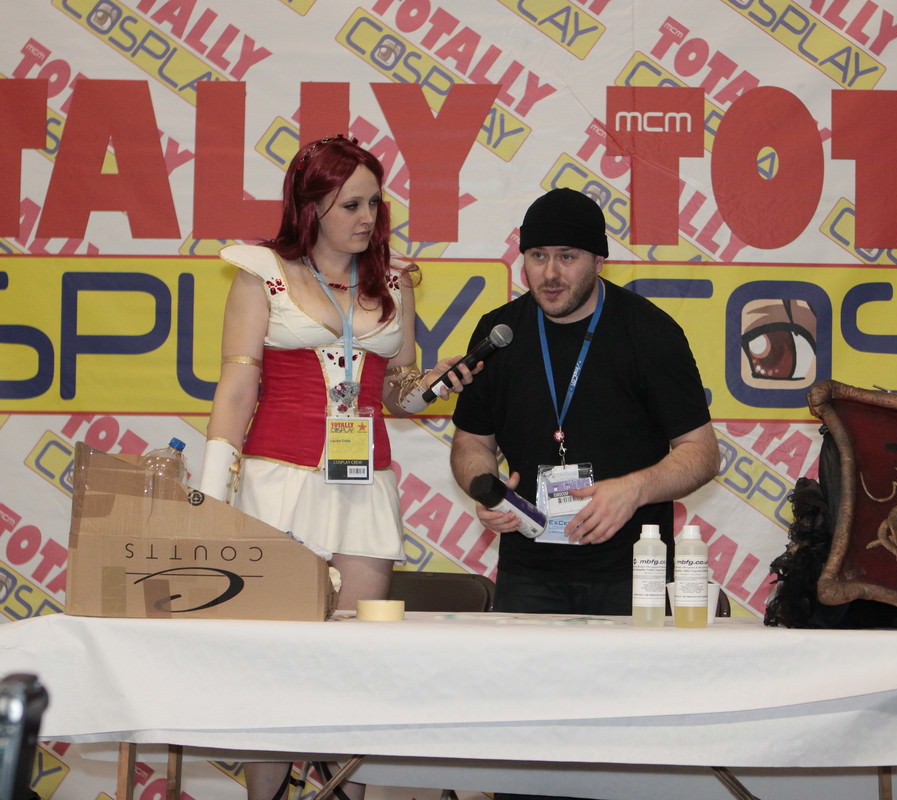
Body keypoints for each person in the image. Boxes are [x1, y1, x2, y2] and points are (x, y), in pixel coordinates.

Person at [199, 135, 476, 800]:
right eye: (351, 205)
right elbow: (236, 391)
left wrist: (435, 384)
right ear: (311, 207)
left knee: (355, 664)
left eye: (375, 204)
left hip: (363, 486)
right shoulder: (261, 272)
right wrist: (208, 498)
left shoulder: (394, 282)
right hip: (277, 482)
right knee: (275, 666)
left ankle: (340, 788)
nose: (367, 218)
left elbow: (398, 393)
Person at [450, 187, 720, 618]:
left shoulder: (650, 332)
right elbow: (472, 442)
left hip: (635, 571)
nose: (550, 273)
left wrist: (634, 489)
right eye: (537, 256)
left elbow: (702, 453)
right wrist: (487, 490)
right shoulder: (499, 333)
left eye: (567, 256)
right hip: (528, 571)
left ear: (598, 260)